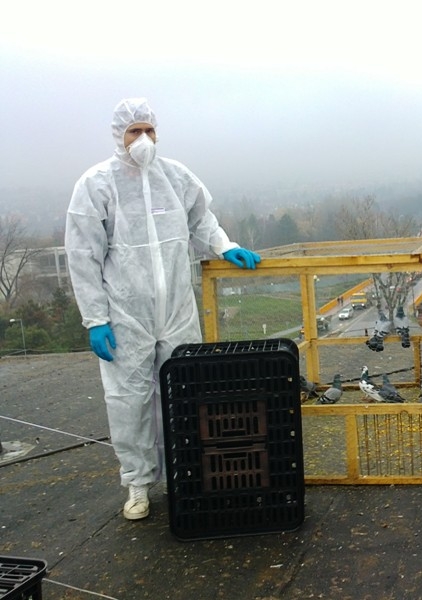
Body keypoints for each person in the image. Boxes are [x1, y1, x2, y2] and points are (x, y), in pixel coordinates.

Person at [65, 98, 261, 521]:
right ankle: (137, 484)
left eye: (149, 130)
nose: (143, 139)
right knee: (128, 400)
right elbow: (83, 256)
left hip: (176, 309)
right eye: (134, 131)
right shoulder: (96, 185)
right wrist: (96, 319)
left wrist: (224, 245)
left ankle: (185, 473)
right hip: (125, 313)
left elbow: (201, 221)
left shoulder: (175, 177)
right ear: (119, 135)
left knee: (185, 391)